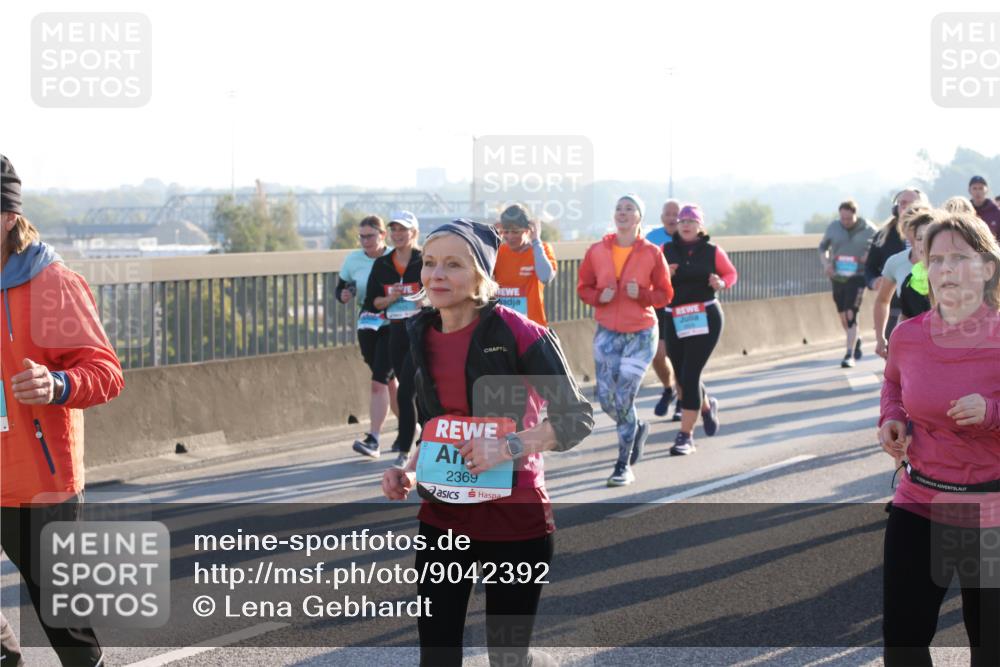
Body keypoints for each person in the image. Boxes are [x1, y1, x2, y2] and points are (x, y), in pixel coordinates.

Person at [381, 218, 593, 667]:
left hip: (516, 518)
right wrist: (411, 471)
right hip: (444, 516)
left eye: (453, 265)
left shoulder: (521, 332)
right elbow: (438, 423)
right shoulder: (420, 332)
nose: (436, 275)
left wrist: (507, 446)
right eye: (430, 263)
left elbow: (576, 418)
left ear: (481, 275)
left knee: (507, 658)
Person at [1, 154, 124, 667]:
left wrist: (55, 384)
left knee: (63, 621)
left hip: (39, 479)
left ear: (8, 215)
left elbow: (106, 372)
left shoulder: (52, 283)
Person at [879, 212, 1000, 666]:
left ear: (988, 268)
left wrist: (991, 413)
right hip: (920, 501)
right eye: (936, 259)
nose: (946, 269)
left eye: (959, 258)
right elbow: (893, 383)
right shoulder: (908, 336)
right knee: (903, 642)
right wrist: (892, 417)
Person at [577, 194, 673, 486]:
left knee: (623, 397)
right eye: (619, 208)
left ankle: (622, 465)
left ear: (639, 217)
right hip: (607, 331)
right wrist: (598, 297)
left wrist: (642, 294)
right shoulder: (597, 251)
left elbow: (665, 294)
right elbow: (583, 288)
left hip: (641, 333)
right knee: (606, 400)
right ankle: (637, 426)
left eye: (629, 209)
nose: (622, 212)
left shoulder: (652, 252)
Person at [662, 204, 738, 455]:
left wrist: (721, 282)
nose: (685, 225)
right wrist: (664, 274)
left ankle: (685, 436)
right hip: (674, 317)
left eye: (691, 221)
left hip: (705, 316)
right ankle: (705, 407)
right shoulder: (665, 250)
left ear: (700, 226)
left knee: (691, 374)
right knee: (681, 376)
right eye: (682, 221)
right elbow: (652, 280)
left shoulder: (712, 251)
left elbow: (731, 274)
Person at [359, 211, 423, 466]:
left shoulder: (425, 260)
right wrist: (391, 298)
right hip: (396, 332)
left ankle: (406, 451)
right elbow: (372, 302)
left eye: (402, 230)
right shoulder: (383, 264)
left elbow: (441, 292)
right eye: (394, 229)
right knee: (407, 392)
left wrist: (423, 300)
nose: (397, 234)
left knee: (409, 392)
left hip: (421, 332)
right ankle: (414, 446)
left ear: (413, 232)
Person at [335, 215, 399, 456]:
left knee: (378, 382)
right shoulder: (353, 260)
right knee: (388, 382)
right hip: (368, 324)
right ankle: (409, 426)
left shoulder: (395, 257)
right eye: (361, 237)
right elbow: (341, 287)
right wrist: (343, 295)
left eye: (370, 236)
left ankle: (373, 439)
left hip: (393, 324)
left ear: (382, 235)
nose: (365, 241)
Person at [819, 199, 878, 367]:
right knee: (843, 315)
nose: (845, 222)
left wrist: (870, 255)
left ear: (855, 215)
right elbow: (822, 248)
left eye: (849, 219)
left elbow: (880, 247)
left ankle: (848, 355)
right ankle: (855, 338)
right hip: (838, 277)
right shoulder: (833, 227)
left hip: (858, 276)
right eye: (842, 218)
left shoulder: (869, 229)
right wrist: (826, 264)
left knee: (851, 313)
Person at [873, 206, 937, 358]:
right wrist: (881, 338)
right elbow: (885, 302)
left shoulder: (954, 271)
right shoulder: (905, 272)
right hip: (914, 347)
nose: (923, 244)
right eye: (919, 238)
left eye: (929, 238)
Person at [865, 188, 927, 343]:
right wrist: (874, 281)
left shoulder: (939, 238)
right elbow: (870, 267)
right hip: (894, 310)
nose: (906, 207)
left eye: (911, 203)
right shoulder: (883, 235)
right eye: (901, 203)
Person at [492, 203, 557, 327]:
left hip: (532, 326)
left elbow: (545, 277)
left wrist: (536, 241)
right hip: (502, 325)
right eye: (506, 232)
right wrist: (491, 239)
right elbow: (479, 276)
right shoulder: (498, 251)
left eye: (516, 232)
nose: (510, 236)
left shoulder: (541, 250)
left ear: (528, 230)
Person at [647, 199, 681, 420]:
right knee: (658, 354)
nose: (672, 218)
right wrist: (663, 272)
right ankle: (669, 389)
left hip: (684, 303)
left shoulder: (691, 238)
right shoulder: (652, 238)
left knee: (680, 356)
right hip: (660, 303)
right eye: (668, 214)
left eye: (676, 214)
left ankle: (684, 401)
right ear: (662, 218)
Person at [968, 174, 1000, 240]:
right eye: (974, 188)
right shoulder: (963, 211)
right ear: (969, 190)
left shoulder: (997, 212)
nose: (978, 192)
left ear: (987, 190)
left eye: (981, 188)